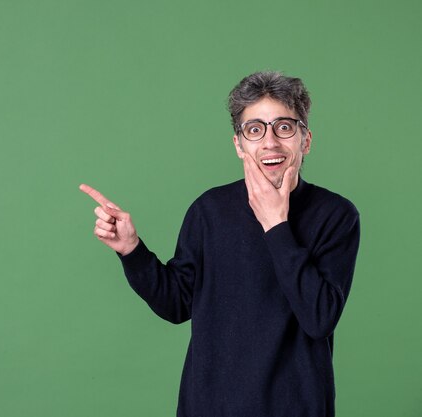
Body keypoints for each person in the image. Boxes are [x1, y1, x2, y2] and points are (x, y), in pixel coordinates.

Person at [79, 71, 360, 417]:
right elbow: (177, 304)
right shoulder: (209, 210)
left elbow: (319, 318)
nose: (270, 143)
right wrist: (132, 249)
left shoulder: (336, 215)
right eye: (255, 130)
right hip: (208, 406)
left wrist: (276, 223)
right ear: (239, 145)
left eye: (284, 127)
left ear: (305, 140)